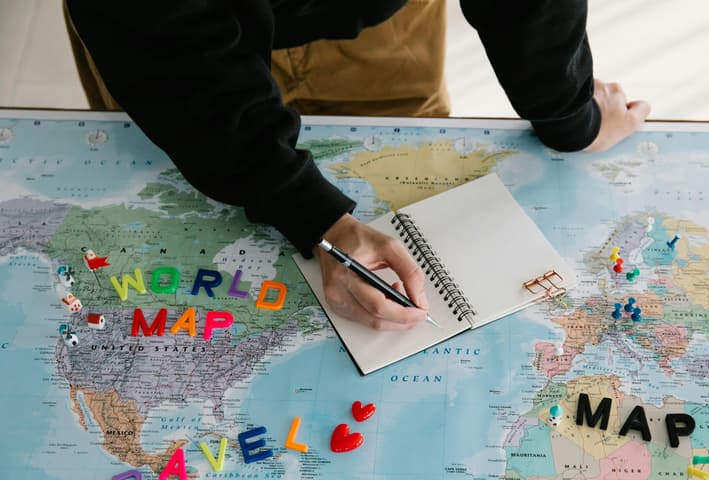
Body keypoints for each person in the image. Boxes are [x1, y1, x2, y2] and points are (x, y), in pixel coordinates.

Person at [64, 0, 649, 331]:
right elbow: (161, 46)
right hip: (169, 39)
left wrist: (568, 112)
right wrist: (310, 213)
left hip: (373, 19)